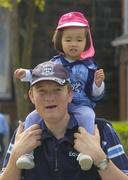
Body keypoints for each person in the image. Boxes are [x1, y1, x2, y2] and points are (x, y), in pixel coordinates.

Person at [0, 61, 128, 180]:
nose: (49, 98)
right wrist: (16, 155)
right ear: (32, 96)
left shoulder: (101, 130)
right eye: (42, 91)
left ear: (70, 94)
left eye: (57, 90)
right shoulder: (23, 134)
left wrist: (99, 158)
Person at [14, 11, 105, 170]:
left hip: (81, 104)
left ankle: (86, 151)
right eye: (68, 39)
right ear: (59, 41)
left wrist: (98, 84)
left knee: (88, 116)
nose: (73, 43)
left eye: (79, 39)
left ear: (86, 42)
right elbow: (39, 75)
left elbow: (94, 94)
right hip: (59, 104)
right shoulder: (54, 63)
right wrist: (25, 74)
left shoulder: (90, 67)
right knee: (31, 118)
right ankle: (27, 153)